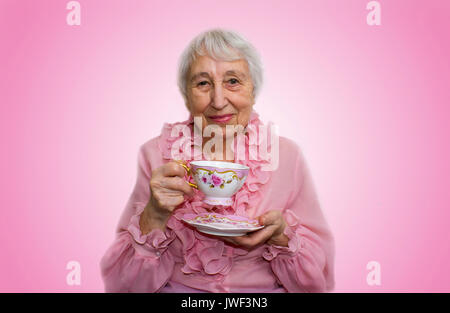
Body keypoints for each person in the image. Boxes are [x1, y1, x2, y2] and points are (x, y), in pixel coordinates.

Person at [100, 28, 335, 292]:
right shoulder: (155, 155)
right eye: (203, 83)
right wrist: (153, 215)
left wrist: (281, 237)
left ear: (253, 90)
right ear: (186, 94)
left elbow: (316, 284)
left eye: (233, 81)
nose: (219, 101)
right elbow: (126, 286)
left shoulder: (287, 156)